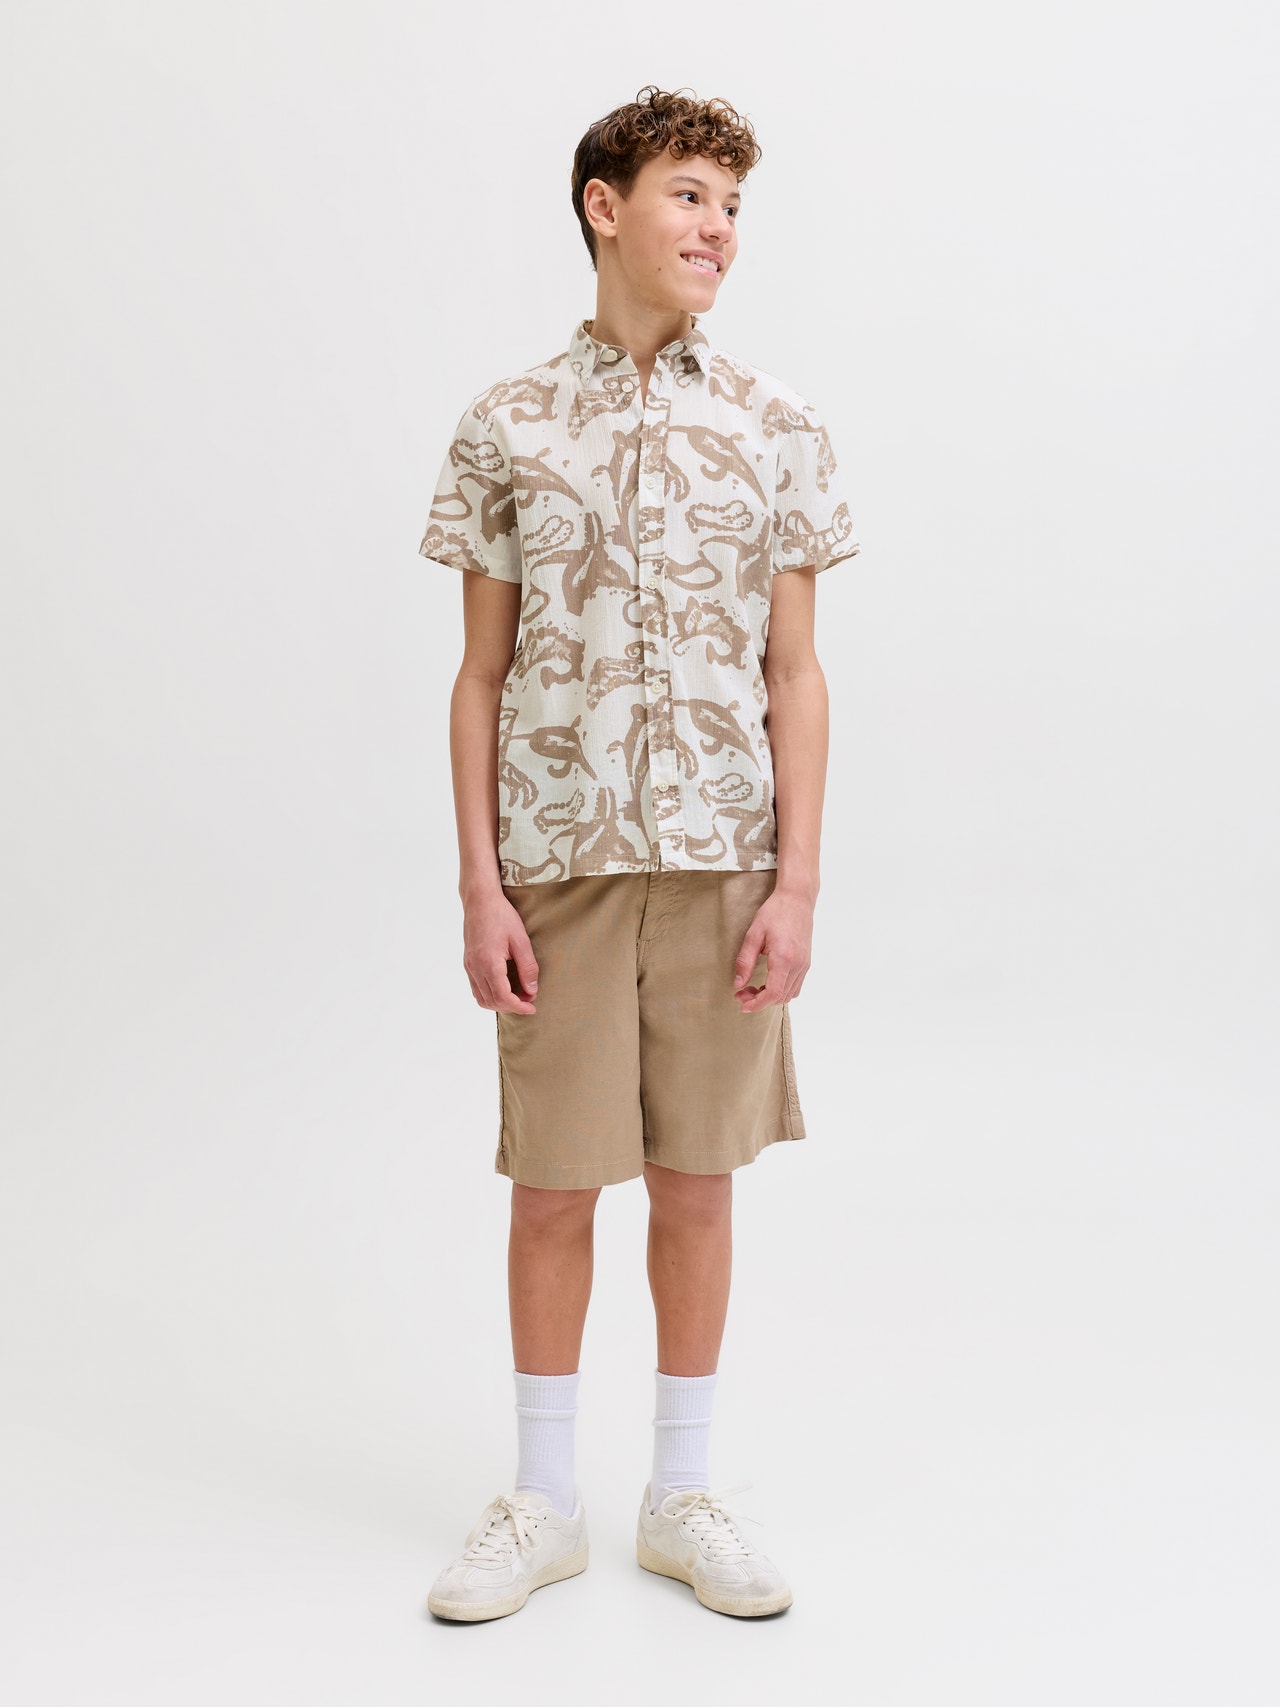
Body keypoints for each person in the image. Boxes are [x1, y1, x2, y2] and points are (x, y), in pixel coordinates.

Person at [417, 85, 859, 1622]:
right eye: (689, 195)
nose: (718, 229)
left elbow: (796, 670)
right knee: (553, 1185)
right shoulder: (508, 424)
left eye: (733, 205)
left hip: (725, 859)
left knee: (699, 1180)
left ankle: (682, 1493)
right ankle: (543, 1499)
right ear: (605, 206)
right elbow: (479, 675)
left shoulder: (778, 425)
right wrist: (481, 883)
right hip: (561, 865)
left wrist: (797, 881)